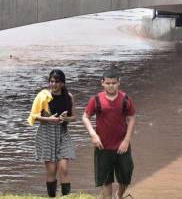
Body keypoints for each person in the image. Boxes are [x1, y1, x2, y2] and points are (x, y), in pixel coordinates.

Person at [82, 68, 136, 199]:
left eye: (113, 83)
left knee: (125, 176)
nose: (111, 86)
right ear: (102, 83)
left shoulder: (125, 99)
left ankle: (119, 195)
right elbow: (85, 116)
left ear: (118, 83)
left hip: (122, 146)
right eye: (108, 83)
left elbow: (132, 117)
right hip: (103, 146)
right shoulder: (96, 99)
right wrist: (93, 135)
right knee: (106, 179)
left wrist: (127, 140)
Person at [27, 69, 76, 197]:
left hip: (62, 134)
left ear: (62, 83)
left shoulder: (68, 97)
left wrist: (66, 118)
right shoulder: (43, 96)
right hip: (46, 135)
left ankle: (66, 197)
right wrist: (49, 119)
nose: (53, 84)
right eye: (51, 81)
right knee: (51, 171)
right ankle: (52, 197)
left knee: (64, 169)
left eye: (57, 82)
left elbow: (74, 117)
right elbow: (33, 116)